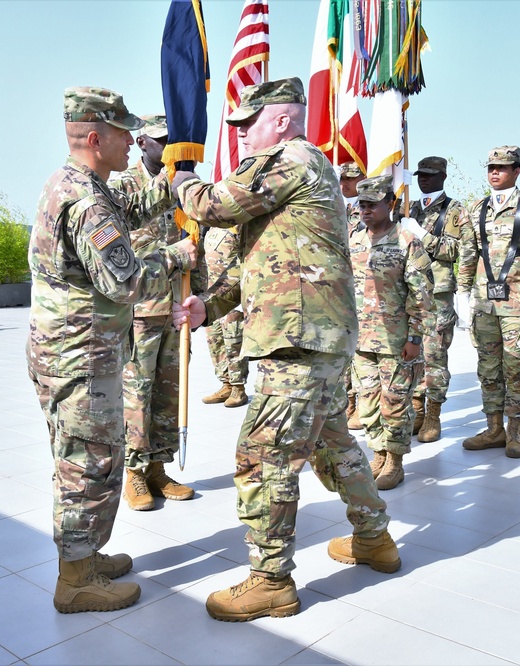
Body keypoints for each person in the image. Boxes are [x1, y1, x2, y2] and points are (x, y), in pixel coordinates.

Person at [171, 77, 400, 622]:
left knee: (264, 454)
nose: (240, 137)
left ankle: (271, 579)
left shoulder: (291, 157)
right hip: (310, 332)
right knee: (332, 445)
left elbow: (213, 204)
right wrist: (210, 304)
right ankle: (374, 538)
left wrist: (181, 176)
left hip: (298, 338)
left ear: (278, 120)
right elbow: (270, 266)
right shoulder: (298, 170)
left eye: (245, 126)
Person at [27, 86, 196, 614]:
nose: (133, 141)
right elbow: (123, 281)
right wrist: (175, 256)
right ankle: (75, 579)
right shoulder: (85, 199)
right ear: (96, 137)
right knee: (87, 463)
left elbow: (136, 202)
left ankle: (84, 556)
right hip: (80, 356)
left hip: (72, 350)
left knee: (82, 456)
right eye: (124, 132)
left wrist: (176, 177)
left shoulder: (78, 183)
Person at [108, 114, 195, 511]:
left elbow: (196, 243)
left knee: (167, 393)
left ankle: (159, 467)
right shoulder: (123, 188)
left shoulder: (182, 185)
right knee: (137, 393)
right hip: (139, 310)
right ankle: (135, 472)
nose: (171, 148)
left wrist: (200, 298)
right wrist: (172, 258)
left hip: (175, 309)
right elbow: (120, 255)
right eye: (163, 140)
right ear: (142, 143)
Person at [459, 147, 520, 458]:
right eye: (491, 167)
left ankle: (514, 432)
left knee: (515, 368)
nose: (495, 173)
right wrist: (462, 293)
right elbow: (468, 254)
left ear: (517, 170)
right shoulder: (476, 209)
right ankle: (493, 429)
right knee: (487, 368)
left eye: (503, 167)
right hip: (484, 304)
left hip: (519, 305)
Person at [349, 175, 434, 490]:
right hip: (361, 341)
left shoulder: (407, 241)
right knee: (368, 401)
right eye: (362, 205)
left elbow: (422, 294)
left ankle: (395, 462)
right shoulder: (355, 241)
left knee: (395, 402)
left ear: (390, 204)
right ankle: (378, 454)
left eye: (373, 204)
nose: (366, 210)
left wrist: (414, 337)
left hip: (395, 340)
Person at [400, 156, 467, 443]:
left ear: (443, 176)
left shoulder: (454, 210)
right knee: (411, 356)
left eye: (430, 174)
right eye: (420, 175)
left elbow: (455, 250)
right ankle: (415, 408)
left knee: (435, 358)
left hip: (437, 294)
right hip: (411, 293)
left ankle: (433, 415)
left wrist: (421, 234)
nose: (423, 179)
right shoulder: (409, 207)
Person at [201, 223, 250, 407]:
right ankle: (226, 383)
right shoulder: (210, 227)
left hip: (232, 296)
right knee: (215, 341)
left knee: (234, 341)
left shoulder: (238, 223)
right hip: (212, 296)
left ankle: (238, 388)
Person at [338, 160, 367, 430]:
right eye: (343, 178)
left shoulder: (370, 209)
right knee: (342, 348)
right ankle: (346, 400)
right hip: (339, 287)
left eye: (351, 178)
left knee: (361, 350)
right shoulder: (334, 207)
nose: (345, 183)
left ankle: (360, 402)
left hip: (363, 287)